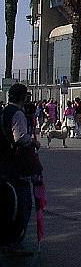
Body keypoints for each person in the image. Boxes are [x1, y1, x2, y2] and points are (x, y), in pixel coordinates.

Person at [0, 84, 42, 257]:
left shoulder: (3, 112)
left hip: (5, 162)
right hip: (17, 164)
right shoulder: (17, 114)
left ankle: (5, 239)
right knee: (22, 203)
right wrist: (33, 142)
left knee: (7, 202)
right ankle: (14, 241)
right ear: (23, 97)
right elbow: (20, 138)